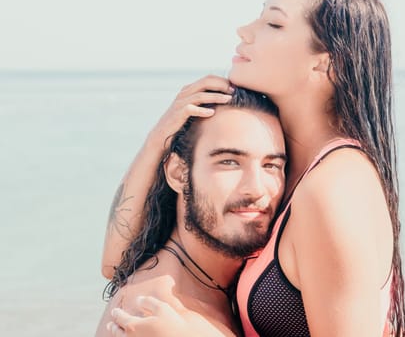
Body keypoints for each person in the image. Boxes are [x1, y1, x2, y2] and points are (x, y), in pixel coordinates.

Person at [102, 0, 405, 336]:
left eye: (273, 24)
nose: (245, 31)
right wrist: (162, 134)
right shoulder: (287, 165)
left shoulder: (334, 187)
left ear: (326, 62)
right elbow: (117, 262)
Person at [96, 88, 287, 336]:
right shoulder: (148, 314)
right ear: (178, 173)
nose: (256, 189)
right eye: (229, 161)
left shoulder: (226, 283)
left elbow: (113, 264)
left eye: (271, 165)